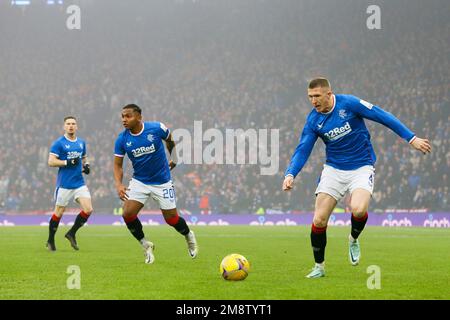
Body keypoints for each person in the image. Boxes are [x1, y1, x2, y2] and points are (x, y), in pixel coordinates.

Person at [282, 78, 431, 278]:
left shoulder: (348, 104)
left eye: (317, 96)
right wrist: (290, 174)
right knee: (319, 219)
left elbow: (381, 115)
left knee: (359, 210)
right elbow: (303, 149)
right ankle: (319, 267)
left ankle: (353, 239)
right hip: (334, 169)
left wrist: (411, 138)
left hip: (361, 166)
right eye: (310, 97)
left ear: (328, 93)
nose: (313, 101)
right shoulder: (313, 121)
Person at [113, 104, 198, 264]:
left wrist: (174, 157)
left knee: (171, 219)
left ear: (139, 117)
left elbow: (170, 140)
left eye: (128, 116)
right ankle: (146, 245)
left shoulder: (156, 128)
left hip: (162, 181)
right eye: (122, 116)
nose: (124, 119)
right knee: (127, 214)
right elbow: (117, 165)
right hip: (140, 181)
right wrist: (119, 184)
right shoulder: (122, 139)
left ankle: (188, 235)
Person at [47, 116, 93, 251]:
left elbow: (84, 156)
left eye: (73, 124)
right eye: (68, 124)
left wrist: (87, 164)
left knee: (88, 209)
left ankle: (71, 233)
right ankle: (50, 240)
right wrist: (66, 162)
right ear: (64, 126)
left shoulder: (81, 142)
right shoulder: (59, 143)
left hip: (79, 183)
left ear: (77, 126)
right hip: (64, 185)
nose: (71, 126)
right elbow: (51, 161)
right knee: (59, 213)